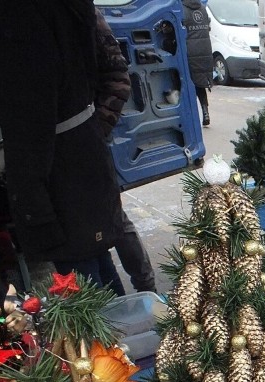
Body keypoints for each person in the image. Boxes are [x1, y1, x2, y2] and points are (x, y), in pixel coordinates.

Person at [0, 0, 125, 295]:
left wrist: (32, 204)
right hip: (80, 152)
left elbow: (30, 115)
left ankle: (115, 337)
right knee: (94, 259)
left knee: (81, 276)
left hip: (59, 168)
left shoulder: (21, 16)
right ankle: (125, 331)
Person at [94, 10, 158, 293]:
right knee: (86, 232)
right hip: (54, 146)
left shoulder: (84, 16)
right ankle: (112, 302)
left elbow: (118, 77)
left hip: (87, 138)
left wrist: (97, 126)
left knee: (115, 218)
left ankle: (146, 287)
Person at [181, 0, 214, 126]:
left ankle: (191, 117)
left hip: (190, 50)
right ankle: (205, 112)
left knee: (189, 83)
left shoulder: (182, 9)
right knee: (200, 83)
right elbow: (208, 25)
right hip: (205, 49)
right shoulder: (202, 8)